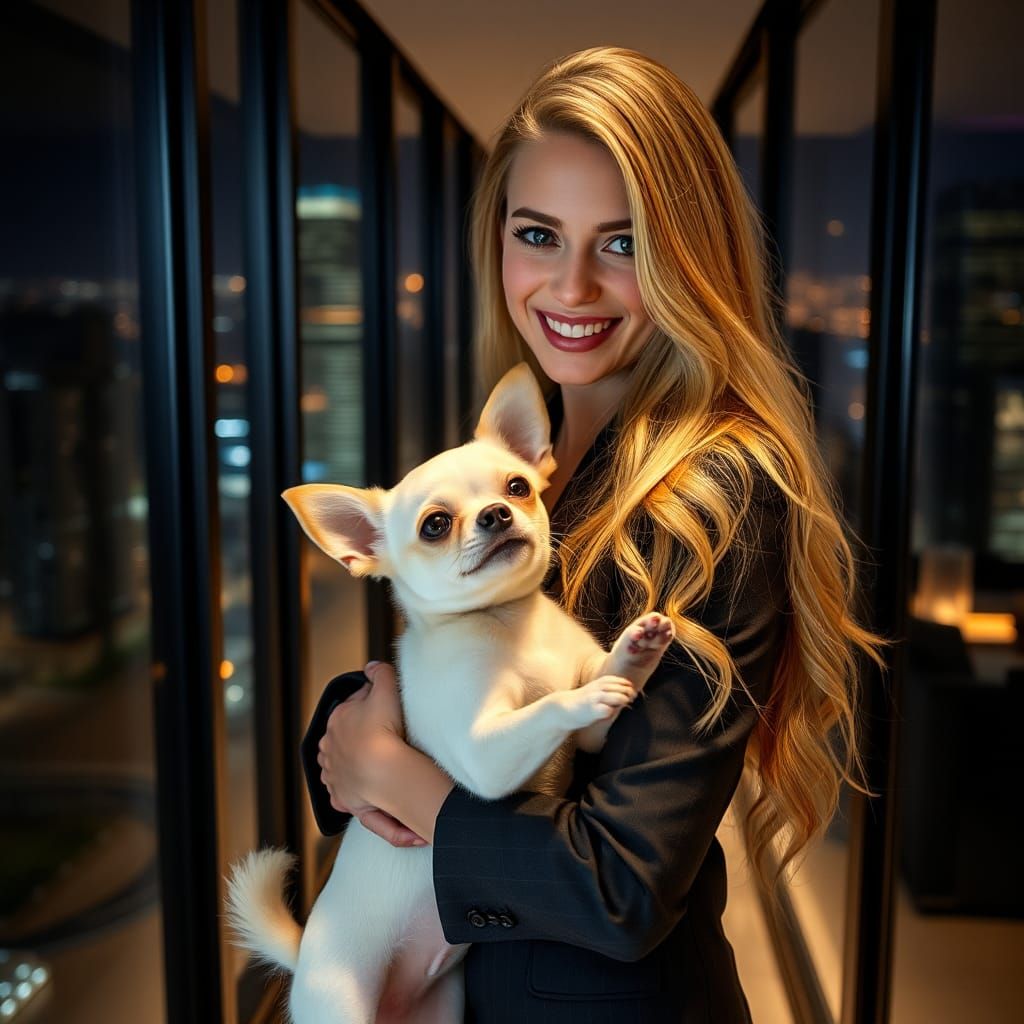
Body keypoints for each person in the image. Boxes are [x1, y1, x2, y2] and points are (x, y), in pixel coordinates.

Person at [312, 45, 888, 1022]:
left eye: (622, 244)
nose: (572, 286)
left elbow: (621, 887)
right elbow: (470, 667)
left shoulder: (716, 494)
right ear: (497, 241)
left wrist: (399, 778)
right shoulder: (522, 460)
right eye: (539, 234)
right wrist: (344, 732)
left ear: (686, 260)